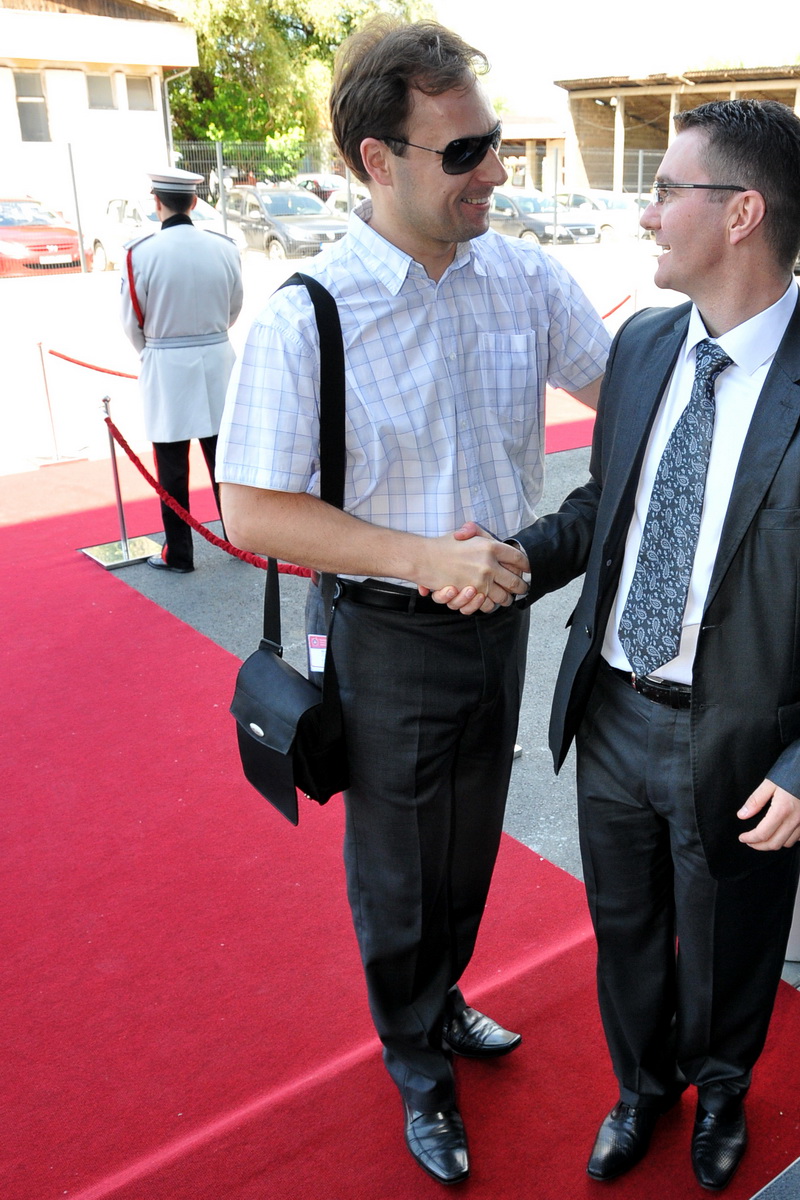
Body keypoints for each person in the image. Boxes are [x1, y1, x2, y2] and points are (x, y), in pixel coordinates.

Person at [495, 99, 800, 1191]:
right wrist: (509, 562)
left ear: (741, 213)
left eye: (665, 192)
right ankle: (641, 1087)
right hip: (612, 707)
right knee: (626, 928)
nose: (646, 216)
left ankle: (723, 1087)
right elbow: (607, 507)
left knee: (732, 936)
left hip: (739, 742)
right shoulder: (646, 345)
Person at [215, 17, 609, 1187]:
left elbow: (621, 390)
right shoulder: (311, 312)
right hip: (386, 633)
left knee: (472, 840)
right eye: (465, 151)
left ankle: (440, 999)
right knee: (397, 870)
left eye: (494, 142)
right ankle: (415, 1062)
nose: (494, 171)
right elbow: (252, 512)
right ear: (377, 160)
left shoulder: (524, 278)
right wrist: (422, 557)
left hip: (502, 621)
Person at [121, 167, 243, 574]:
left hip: (166, 364)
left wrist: (155, 350)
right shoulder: (224, 248)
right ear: (193, 202)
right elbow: (234, 308)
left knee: (171, 469)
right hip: (217, 360)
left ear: (157, 202)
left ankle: (179, 554)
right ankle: (241, 541)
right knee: (225, 463)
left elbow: (132, 321)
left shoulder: (140, 253)